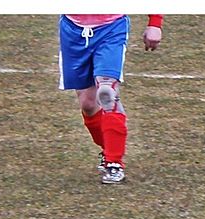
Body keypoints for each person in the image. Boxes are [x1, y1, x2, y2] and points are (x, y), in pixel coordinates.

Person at [58, 14, 164, 184]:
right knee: (88, 104)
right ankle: (109, 148)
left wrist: (155, 23)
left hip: (111, 28)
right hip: (73, 30)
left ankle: (114, 163)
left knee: (106, 92)